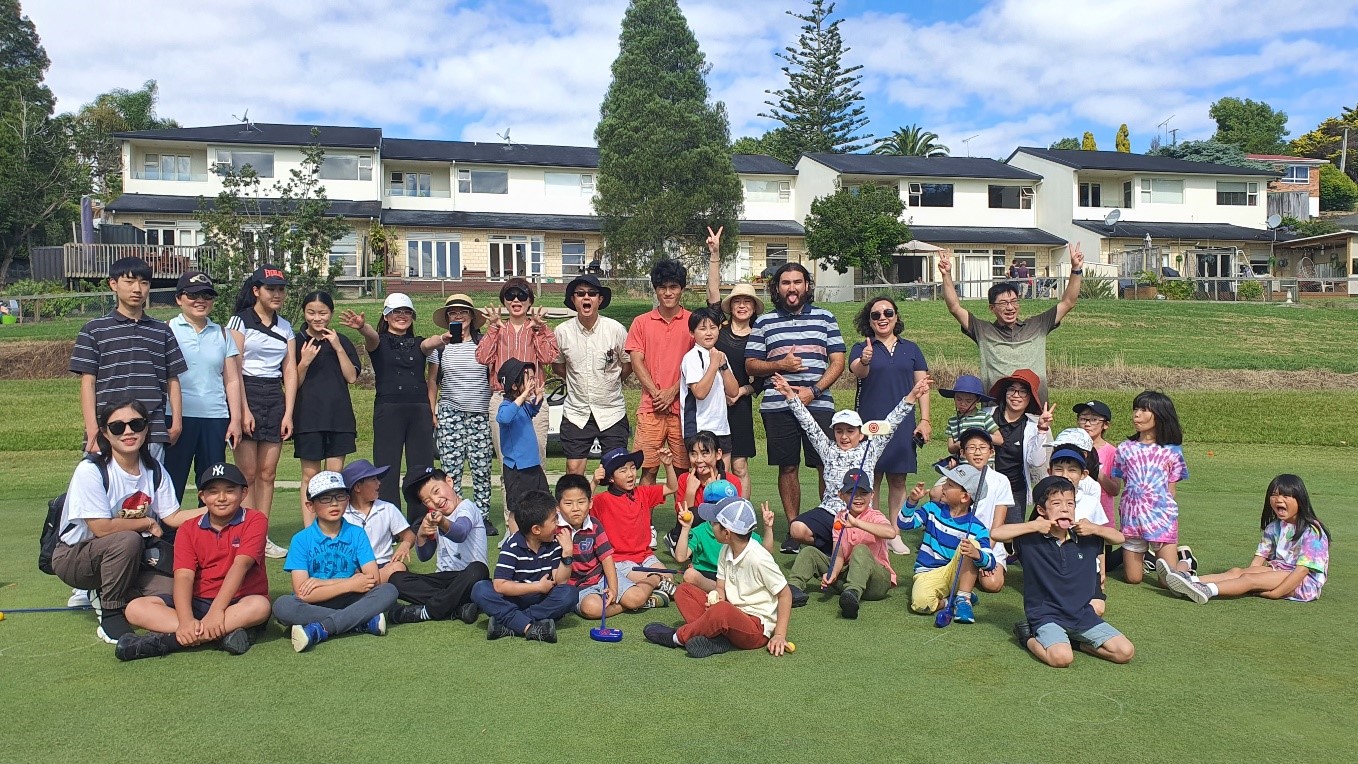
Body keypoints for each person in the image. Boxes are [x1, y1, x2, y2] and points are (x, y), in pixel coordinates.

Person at [51, 399, 205, 643]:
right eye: (117, 427)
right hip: (74, 556)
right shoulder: (90, 471)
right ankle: (110, 611)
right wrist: (145, 523)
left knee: (178, 591)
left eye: (136, 424)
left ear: (146, 428)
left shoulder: (154, 470)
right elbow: (101, 528)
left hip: (134, 556)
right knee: (127, 539)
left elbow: (172, 517)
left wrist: (214, 508)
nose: (128, 432)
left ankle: (121, 594)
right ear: (104, 432)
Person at [114, 462, 271, 661]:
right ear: (202, 497)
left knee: (259, 606)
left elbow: (240, 565)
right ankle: (220, 635)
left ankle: (166, 643)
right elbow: (184, 575)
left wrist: (217, 611)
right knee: (135, 609)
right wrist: (186, 619)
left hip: (238, 600)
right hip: (200, 601)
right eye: (213, 492)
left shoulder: (255, 520)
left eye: (230, 491)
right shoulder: (188, 528)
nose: (221, 498)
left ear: (244, 493)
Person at [744, 262, 846, 552]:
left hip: (819, 403)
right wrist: (781, 365)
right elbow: (751, 364)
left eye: (797, 282)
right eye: (786, 283)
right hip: (778, 406)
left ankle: (829, 525)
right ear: (777, 288)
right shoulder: (764, 322)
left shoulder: (826, 318)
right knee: (788, 466)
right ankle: (793, 528)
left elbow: (837, 362)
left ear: (807, 286)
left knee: (826, 465)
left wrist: (813, 392)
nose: (792, 288)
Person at [769, 372, 931, 555]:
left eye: (850, 431)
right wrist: (790, 395)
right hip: (831, 512)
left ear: (861, 434)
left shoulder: (870, 448)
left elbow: (892, 421)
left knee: (871, 539)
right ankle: (834, 549)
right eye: (839, 431)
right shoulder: (827, 448)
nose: (844, 436)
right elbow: (808, 423)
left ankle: (851, 549)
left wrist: (912, 396)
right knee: (797, 529)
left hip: (861, 515)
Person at [997, 476, 1135, 668]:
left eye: (1070, 503)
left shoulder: (1086, 536)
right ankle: (1026, 637)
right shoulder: (1029, 539)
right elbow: (995, 534)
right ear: (1041, 510)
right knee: (1062, 659)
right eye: (1056, 503)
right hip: (1046, 616)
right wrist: (1033, 525)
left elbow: (1119, 538)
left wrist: (1094, 527)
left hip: (1082, 615)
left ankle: (1077, 643)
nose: (1065, 508)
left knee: (1124, 652)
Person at [340, 294, 451, 520]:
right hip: (388, 410)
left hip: (418, 409)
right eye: (396, 312)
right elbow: (371, 337)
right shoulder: (379, 342)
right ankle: (389, 520)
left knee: (421, 466)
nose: (402, 316)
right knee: (386, 467)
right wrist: (362, 327)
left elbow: (429, 343)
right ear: (387, 316)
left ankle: (421, 519)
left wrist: (443, 337)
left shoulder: (419, 342)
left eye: (407, 312)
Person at [643, 497, 794, 658]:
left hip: (755, 628)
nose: (711, 526)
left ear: (727, 533)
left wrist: (779, 635)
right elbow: (720, 587)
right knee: (684, 591)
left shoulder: (759, 558)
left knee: (722, 611)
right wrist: (716, 598)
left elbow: (785, 594)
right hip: (730, 612)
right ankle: (715, 639)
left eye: (714, 523)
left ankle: (677, 637)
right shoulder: (725, 549)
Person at [938, 243, 1085, 400]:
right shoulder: (982, 330)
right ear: (992, 308)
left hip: (1034, 409)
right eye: (1003, 303)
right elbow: (954, 307)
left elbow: (1068, 302)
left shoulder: (1038, 325)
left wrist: (1076, 269)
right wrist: (946, 274)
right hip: (995, 410)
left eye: (1014, 302)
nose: (1010, 307)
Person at [274, 471, 399, 652]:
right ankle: (360, 622)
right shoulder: (301, 539)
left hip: (353, 598)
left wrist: (325, 584)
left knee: (388, 590)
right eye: (325, 499)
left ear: (347, 499)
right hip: (317, 602)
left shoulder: (356, 533)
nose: (334, 503)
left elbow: (373, 580)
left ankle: (321, 629)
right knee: (283, 606)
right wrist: (349, 583)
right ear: (311, 505)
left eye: (340, 496)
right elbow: (302, 593)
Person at [1161, 474, 1331, 604]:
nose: (1278, 499)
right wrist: (1247, 576)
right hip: (1278, 571)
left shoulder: (1313, 531)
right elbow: (1259, 559)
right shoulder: (1275, 527)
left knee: (1249, 579)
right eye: (1274, 495)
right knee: (1238, 572)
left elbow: (1302, 571)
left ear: (1300, 500)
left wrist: (1275, 592)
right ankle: (1188, 581)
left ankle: (1207, 590)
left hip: (1303, 583)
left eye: (1286, 496)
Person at [226, 265, 297, 558]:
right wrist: (242, 410)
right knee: (248, 473)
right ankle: (243, 533)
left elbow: (290, 370)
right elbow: (233, 367)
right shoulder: (239, 322)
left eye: (280, 289)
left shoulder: (286, 326)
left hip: (273, 395)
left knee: (268, 473)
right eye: (270, 289)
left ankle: (261, 535)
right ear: (256, 291)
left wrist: (288, 412)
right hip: (246, 392)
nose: (277, 294)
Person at [163, 270, 243, 503]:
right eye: (193, 294)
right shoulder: (167, 330)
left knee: (212, 482)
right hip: (176, 417)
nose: (201, 301)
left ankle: (209, 534)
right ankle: (167, 537)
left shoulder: (222, 333)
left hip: (214, 417)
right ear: (179, 298)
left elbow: (232, 379)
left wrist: (235, 420)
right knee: (171, 480)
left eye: (207, 295)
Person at [848, 295, 930, 519]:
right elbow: (858, 371)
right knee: (871, 477)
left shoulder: (911, 349)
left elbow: (922, 386)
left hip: (903, 424)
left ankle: (894, 531)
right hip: (871, 422)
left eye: (888, 313)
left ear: (896, 317)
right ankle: (873, 529)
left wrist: (925, 420)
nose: (882, 318)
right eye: (876, 315)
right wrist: (865, 359)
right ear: (869, 320)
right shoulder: (861, 347)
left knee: (898, 478)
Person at [787, 469, 899, 620]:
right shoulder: (840, 517)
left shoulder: (875, 516)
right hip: (847, 576)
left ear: (872, 495)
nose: (858, 498)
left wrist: (856, 523)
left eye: (863, 493)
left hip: (876, 582)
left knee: (860, 550)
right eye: (852, 493)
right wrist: (832, 573)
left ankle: (851, 595)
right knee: (810, 552)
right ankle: (793, 589)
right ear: (841, 495)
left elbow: (890, 532)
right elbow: (838, 552)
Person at [388, 466, 491, 625]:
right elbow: (425, 555)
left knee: (479, 569)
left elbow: (461, 532)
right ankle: (458, 608)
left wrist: (442, 522)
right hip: (444, 579)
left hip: (468, 579)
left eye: (436, 491)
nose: (435, 501)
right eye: (427, 500)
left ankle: (426, 612)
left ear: (449, 482)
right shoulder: (435, 516)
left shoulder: (466, 507)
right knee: (396, 579)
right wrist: (421, 535)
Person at [1107, 390, 1190, 586]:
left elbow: (1171, 489)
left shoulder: (1172, 451)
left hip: (1161, 520)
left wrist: (1167, 516)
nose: (1136, 415)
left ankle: (1186, 561)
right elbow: (1125, 484)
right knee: (1133, 579)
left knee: (1166, 582)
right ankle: (1149, 558)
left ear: (1161, 415)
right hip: (1132, 520)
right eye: (1136, 409)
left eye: (1144, 410)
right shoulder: (1125, 448)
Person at [470, 489, 576, 642]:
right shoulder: (512, 545)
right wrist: (537, 587)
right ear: (536, 529)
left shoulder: (554, 543)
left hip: (541, 600)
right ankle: (529, 627)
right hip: (514, 598)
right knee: (480, 589)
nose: (557, 523)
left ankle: (510, 623)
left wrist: (567, 553)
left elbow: (561, 581)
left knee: (569, 594)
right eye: (554, 519)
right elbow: (500, 586)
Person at [552, 274, 631, 476]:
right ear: (573, 299)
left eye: (592, 294)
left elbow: (628, 364)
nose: (586, 298)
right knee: (573, 470)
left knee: (618, 472)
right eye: (580, 294)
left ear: (600, 299)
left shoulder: (615, 330)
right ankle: (577, 508)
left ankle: (614, 509)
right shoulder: (562, 332)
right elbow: (559, 367)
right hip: (577, 412)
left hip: (611, 410)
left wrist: (612, 381)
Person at [293, 291, 360, 526]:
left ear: (330, 313)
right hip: (308, 418)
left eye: (322, 313)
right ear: (304, 312)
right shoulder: (296, 341)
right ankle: (310, 529)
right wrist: (304, 361)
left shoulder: (341, 340)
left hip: (338, 418)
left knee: (334, 476)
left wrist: (338, 347)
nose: (317, 318)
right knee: (310, 476)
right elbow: (291, 383)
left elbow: (352, 377)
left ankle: (332, 527)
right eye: (311, 312)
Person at [476, 278, 559, 469]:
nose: (516, 300)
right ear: (504, 301)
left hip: (532, 400)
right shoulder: (497, 329)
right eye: (510, 296)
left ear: (530, 301)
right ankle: (510, 500)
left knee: (537, 459)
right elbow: (482, 357)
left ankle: (538, 499)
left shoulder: (540, 329)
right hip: (503, 400)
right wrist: (493, 328)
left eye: (521, 296)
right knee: (508, 461)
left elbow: (548, 357)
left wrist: (540, 330)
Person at [896, 463, 995, 623]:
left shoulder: (977, 528)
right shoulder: (932, 509)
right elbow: (904, 523)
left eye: (949, 485)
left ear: (964, 497)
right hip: (927, 573)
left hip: (956, 574)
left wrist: (976, 554)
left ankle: (963, 599)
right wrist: (912, 501)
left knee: (972, 545)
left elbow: (990, 563)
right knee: (921, 605)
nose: (943, 487)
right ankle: (951, 600)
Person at [705, 226, 763, 494]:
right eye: (737, 301)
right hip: (713, 402)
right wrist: (714, 254)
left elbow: (761, 380)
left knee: (739, 466)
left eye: (747, 302)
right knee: (713, 464)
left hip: (739, 406)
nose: (742, 305)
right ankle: (714, 516)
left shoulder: (760, 336)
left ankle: (742, 517)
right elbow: (713, 291)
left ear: (753, 307)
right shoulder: (719, 329)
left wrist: (742, 391)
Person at [429, 294, 494, 532]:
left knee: (481, 468)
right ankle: (453, 514)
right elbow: (433, 380)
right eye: (453, 312)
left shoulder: (484, 342)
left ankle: (482, 515)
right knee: (451, 469)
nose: (458, 316)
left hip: (480, 413)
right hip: (450, 412)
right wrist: (432, 410)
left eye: (463, 311)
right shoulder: (441, 345)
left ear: (472, 316)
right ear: (447, 318)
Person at [555, 473, 660, 619]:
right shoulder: (554, 530)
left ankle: (655, 579)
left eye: (581, 502)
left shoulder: (595, 525)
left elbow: (607, 558)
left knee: (636, 598)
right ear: (558, 506)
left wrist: (613, 589)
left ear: (590, 503)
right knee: (591, 609)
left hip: (600, 577)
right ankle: (637, 603)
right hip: (577, 588)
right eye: (568, 503)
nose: (575, 508)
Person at [626, 259, 695, 484]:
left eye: (673, 287)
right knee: (648, 470)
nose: (668, 292)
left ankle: (684, 520)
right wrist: (657, 394)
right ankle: (645, 520)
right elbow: (637, 361)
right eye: (662, 287)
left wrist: (672, 392)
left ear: (682, 290)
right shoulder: (641, 322)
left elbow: (697, 364)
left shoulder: (694, 321)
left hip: (683, 408)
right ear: (655, 290)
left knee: (684, 471)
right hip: (650, 408)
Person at [1042, 433, 1122, 615]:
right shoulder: (1043, 500)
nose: (1065, 475)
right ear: (1049, 471)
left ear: (1083, 474)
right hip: (1052, 569)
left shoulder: (1090, 501)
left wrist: (1101, 569)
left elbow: (1103, 540)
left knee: (1097, 609)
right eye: (1059, 469)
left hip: (1085, 568)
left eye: (1072, 470)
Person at [590, 447, 678, 606]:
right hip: (619, 560)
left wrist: (668, 465)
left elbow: (672, 487)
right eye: (623, 470)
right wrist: (594, 482)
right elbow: (583, 506)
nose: (630, 474)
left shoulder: (643, 492)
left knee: (669, 578)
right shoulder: (601, 500)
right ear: (610, 478)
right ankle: (656, 583)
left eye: (632, 468)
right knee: (656, 578)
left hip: (645, 556)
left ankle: (653, 591)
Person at [932, 428, 1015, 595]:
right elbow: (935, 495)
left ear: (991, 452)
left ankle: (972, 571)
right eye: (971, 448)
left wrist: (985, 554)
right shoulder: (954, 476)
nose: (977, 453)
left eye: (983, 447)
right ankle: (967, 576)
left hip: (988, 543)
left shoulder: (1001, 480)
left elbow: (997, 525)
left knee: (993, 584)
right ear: (962, 452)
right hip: (957, 541)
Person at [672, 482, 775, 594]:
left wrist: (768, 528)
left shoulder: (739, 531)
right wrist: (686, 528)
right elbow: (681, 557)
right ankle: (729, 592)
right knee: (690, 575)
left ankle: (724, 592)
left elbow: (766, 553)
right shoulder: (700, 530)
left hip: (733, 575)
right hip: (707, 575)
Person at [985, 369, 1051, 523]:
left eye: (1023, 392)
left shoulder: (1034, 426)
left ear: (1030, 398)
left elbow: (1035, 462)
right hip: (985, 485)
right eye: (1012, 390)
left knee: (1012, 538)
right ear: (1005, 392)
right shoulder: (987, 415)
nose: (1016, 395)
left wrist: (1042, 430)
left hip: (1014, 490)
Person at [661, 431, 744, 552]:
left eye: (705, 454)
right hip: (692, 531)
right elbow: (683, 517)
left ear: (718, 454)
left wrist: (713, 493)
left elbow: (732, 517)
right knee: (695, 513)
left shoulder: (731, 482)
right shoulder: (685, 479)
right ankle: (677, 539)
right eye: (693, 454)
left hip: (720, 533)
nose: (699, 460)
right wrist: (690, 491)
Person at [340, 459, 414, 584]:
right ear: (358, 487)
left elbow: (409, 534)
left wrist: (406, 544)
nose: (379, 483)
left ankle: (363, 585)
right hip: (354, 568)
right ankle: (367, 584)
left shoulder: (387, 508)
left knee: (398, 568)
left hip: (383, 566)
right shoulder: (343, 514)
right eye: (373, 479)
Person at [495, 358, 549, 531]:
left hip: (533, 466)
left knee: (543, 501)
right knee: (516, 509)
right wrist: (524, 396)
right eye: (528, 380)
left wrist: (538, 399)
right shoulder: (506, 406)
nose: (532, 383)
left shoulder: (523, 406)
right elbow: (503, 418)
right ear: (514, 385)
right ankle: (515, 541)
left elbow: (531, 411)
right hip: (517, 469)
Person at [679, 307, 739, 458]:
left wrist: (723, 365)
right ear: (692, 333)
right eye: (702, 328)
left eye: (713, 327)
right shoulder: (691, 357)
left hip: (722, 428)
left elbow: (733, 392)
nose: (708, 333)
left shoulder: (720, 355)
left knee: (722, 479)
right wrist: (713, 365)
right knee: (703, 476)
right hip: (699, 428)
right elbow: (699, 392)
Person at [1075, 400, 1118, 531]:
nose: (1087, 424)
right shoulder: (1070, 447)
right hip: (1074, 517)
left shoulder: (1113, 452)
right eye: (1083, 419)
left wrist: (1095, 468)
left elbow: (1115, 489)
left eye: (1094, 419)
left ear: (1105, 425)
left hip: (1101, 520)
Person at [940, 374, 1000, 455]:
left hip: (983, 464)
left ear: (976, 401)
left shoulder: (984, 417)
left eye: (968, 401)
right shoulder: (952, 421)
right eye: (959, 399)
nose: (963, 404)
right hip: (963, 465)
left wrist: (979, 434)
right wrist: (957, 445)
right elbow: (950, 449)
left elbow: (999, 440)